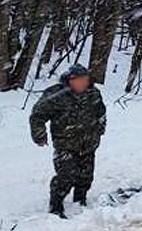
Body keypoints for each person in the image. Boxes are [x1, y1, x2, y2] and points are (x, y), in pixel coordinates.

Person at [29, 64, 107, 219]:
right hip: (66, 144)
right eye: (79, 80)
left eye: (85, 79)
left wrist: (100, 128)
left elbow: (101, 113)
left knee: (86, 176)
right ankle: (56, 206)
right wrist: (39, 135)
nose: (83, 83)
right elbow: (37, 115)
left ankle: (80, 201)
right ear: (70, 80)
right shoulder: (57, 95)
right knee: (66, 176)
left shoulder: (93, 93)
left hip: (89, 143)